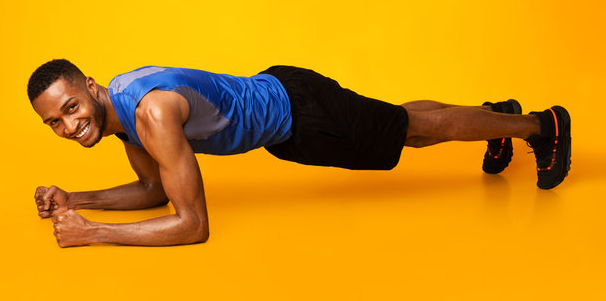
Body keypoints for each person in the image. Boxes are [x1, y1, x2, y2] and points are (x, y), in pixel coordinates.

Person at [28, 59, 571, 247]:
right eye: (54, 122)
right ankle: (495, 115)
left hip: (299, 111)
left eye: (71, 107)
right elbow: (153, 190)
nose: (69, 126)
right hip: (289, 123)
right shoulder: (121, 116)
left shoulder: (149, 115)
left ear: (92, 87)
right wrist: (75, 197)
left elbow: (192, 223)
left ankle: (539, 125)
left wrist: (92, 231)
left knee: (412, 129)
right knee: (399, 121)